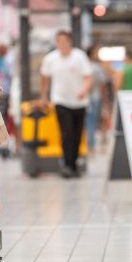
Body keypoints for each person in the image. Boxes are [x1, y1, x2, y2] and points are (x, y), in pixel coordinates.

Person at [39, 31, 92, 177]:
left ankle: (74, 164)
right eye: (59, 41)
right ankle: (67, 165)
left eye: (64, 40)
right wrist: (44, 97)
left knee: (77, 134)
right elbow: (44, 78)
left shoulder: (79, 57)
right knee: (66, 133)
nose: (62, 44)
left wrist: (83, 90)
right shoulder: (51, 59)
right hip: (60, 100)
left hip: (80, 102)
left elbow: (88, 77)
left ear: (70, 41)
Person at [85, 45, 108, 153]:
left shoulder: (84, 66)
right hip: (94, 97)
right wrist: (105, 100)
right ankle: (91, 145)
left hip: (83, 98)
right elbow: (103, 85)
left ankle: (89, 144)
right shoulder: (97, 67)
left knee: (88, 122)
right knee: (92, 122)